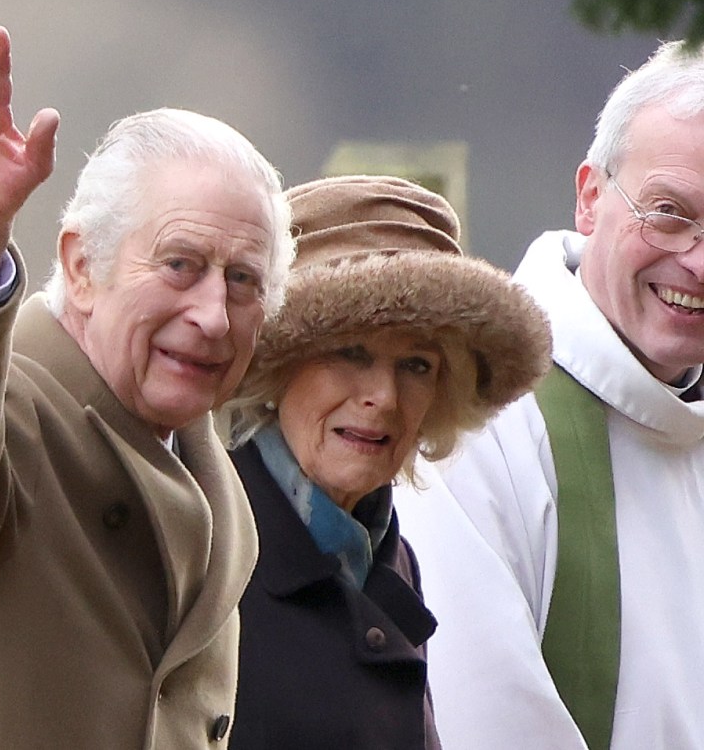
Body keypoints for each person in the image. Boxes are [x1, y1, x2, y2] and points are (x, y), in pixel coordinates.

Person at [0, 25, 295, 749]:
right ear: (81, 266)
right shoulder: (1, 418)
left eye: (242, 281)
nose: (212, 315)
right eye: (180, 264)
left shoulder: (211, 482)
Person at [395, 39, 704, 750]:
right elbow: (480, 720)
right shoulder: (480, 416)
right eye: (668, 212)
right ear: (591, 197)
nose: (697, 257)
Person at [218, 175, 551, 749]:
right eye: (352, 353)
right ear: (277, 365)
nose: (386, 398)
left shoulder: (388, 557)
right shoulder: (205, 543)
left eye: (417, 365)